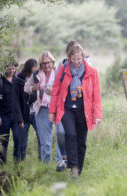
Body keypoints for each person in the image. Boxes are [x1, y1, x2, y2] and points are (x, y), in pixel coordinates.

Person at [49, 43, 102, 178]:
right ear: (69, 58)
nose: (77, 62)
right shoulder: (63, 69)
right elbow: (55, 90)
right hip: (66, 108)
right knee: (70, 134)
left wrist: (98, 115)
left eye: (79, 59)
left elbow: (96, 95)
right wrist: (52, 111)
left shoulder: (91, 72)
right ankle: (73, 165)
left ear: (83, 57)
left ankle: (79, 168)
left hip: (84, 110)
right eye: (74, 59)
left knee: (81, 141)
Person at [25, 51, 66, 171]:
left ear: (52, 62)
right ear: (40, 64)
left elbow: (65, 90)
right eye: (43, 63)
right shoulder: (36, 75)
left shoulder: (59, 73)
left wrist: (54, 93)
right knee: (45, 141)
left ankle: (61, 164)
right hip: (42, 109)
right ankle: (46, 166)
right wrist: (34, 88)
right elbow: (26, 88)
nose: (46, 65)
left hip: (58, 108)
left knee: (61, 136)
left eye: (48, 62)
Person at [12, 59, 38, 161]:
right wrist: (19, 119)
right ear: (27, 70)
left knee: (41, 139)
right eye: (31, 71)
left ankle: (42, 164)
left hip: (35, 113)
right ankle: (20, 164)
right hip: (23, 115)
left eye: (34, 71)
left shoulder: (38, 78)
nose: (33, 74)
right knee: (23, 143)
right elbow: (16, 102)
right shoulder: (18, 81)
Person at [0, 63, 19, 164]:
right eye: (9, 68)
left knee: (18, 138)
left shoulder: (18, 81)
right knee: (3, 141)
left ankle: (17, 162)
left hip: (16, 116)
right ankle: (2, 163)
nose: (11, 71)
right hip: (3, 116)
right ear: (4, 69)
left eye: (13, 68)